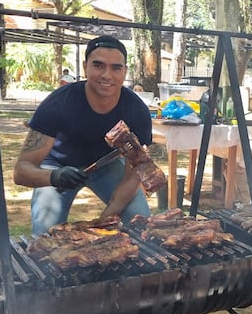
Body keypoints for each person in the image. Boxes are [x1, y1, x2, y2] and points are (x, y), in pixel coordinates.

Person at [14, 35, 153, 235]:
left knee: (139, 219)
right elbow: (21, 171)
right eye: (98, 66)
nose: (107, 75)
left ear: (125, 71)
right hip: (58, 167)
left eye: (116, 68)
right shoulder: (57, 104)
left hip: (106, 165)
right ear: (85, 66)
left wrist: (99, 226)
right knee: (45, 232)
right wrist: (55, 177)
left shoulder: (136, 110)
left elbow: (133, 177)